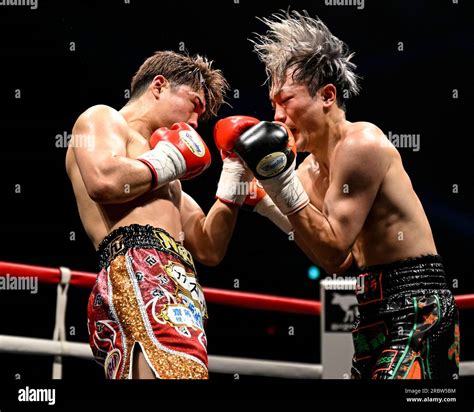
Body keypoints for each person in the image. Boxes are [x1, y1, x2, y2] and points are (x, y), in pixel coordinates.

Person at [221, 11, 460, 379]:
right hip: (366, 308)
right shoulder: (306, 171)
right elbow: (336, 261)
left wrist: (280, 185)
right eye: (273, 104)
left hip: (417, 303)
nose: (276, 116)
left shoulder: (361, 142)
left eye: (286, 100)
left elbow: (333, 246)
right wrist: (267, 203)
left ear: (328, 96)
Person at [66, 51, 254, 379]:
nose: (196, 123)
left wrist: (235, 175)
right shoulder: (104, 119)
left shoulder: (168, 174)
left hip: (180, 282)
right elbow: (104, 180)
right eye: (194, 105)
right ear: (159, 85)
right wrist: (170, 159)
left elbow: (209, 247)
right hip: (135, 267)